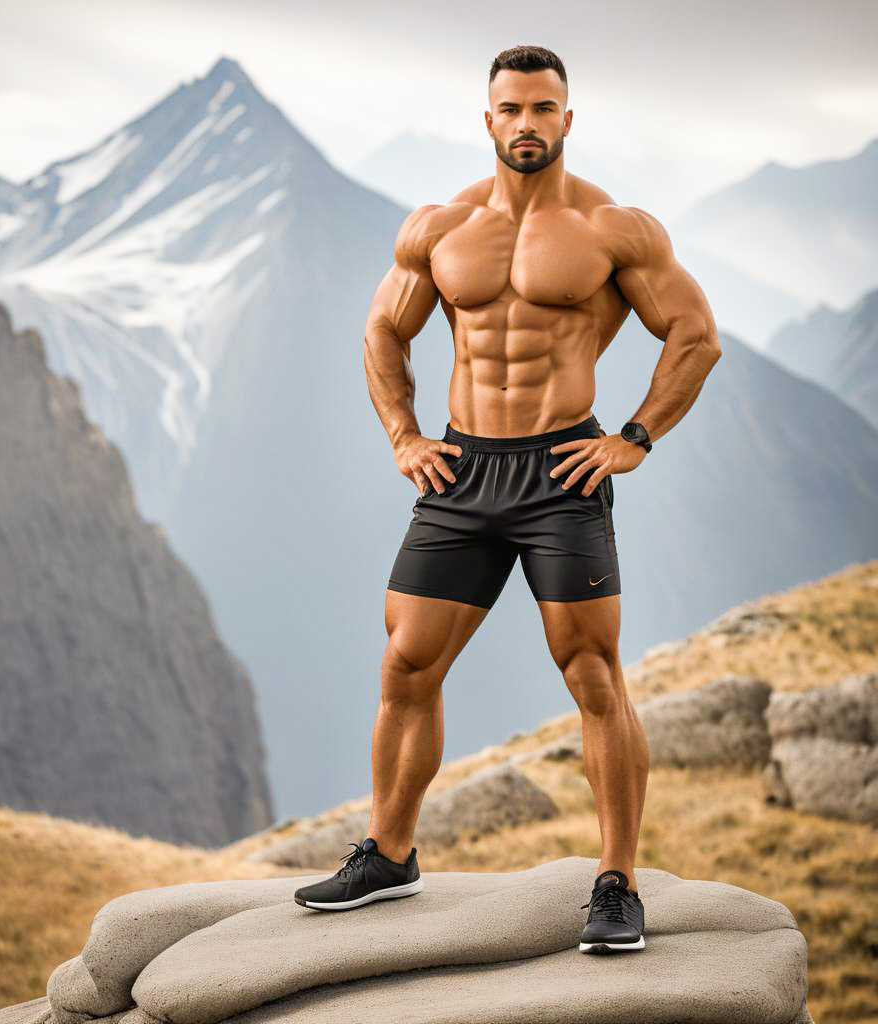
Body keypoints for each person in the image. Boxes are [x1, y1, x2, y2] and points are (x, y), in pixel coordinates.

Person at [293, 44, 721, 954]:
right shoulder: (438, 228)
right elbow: (384, 327)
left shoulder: (613, 229)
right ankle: (392, 853)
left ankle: (616, 882)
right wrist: (405, 437)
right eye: (511, 109)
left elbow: (694, 333)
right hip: (462, 470)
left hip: (563, 472)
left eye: (543, 108)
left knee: (592, 673)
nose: (527, 123)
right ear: (486, 120)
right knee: (408, 663)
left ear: (569, 118)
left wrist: (635, 437)